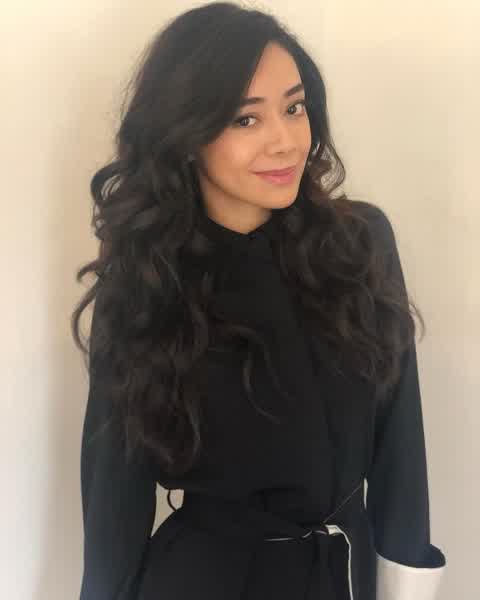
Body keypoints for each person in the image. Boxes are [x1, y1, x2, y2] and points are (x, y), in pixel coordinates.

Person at [72, 2, 447, 599]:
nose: (286, 141)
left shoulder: (358, 244)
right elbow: (115, 492)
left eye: (294, 108)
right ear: (187, 135)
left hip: (341, 573)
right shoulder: (149, 281)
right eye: (246, 119)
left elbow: (401, 447)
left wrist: (408, 582)